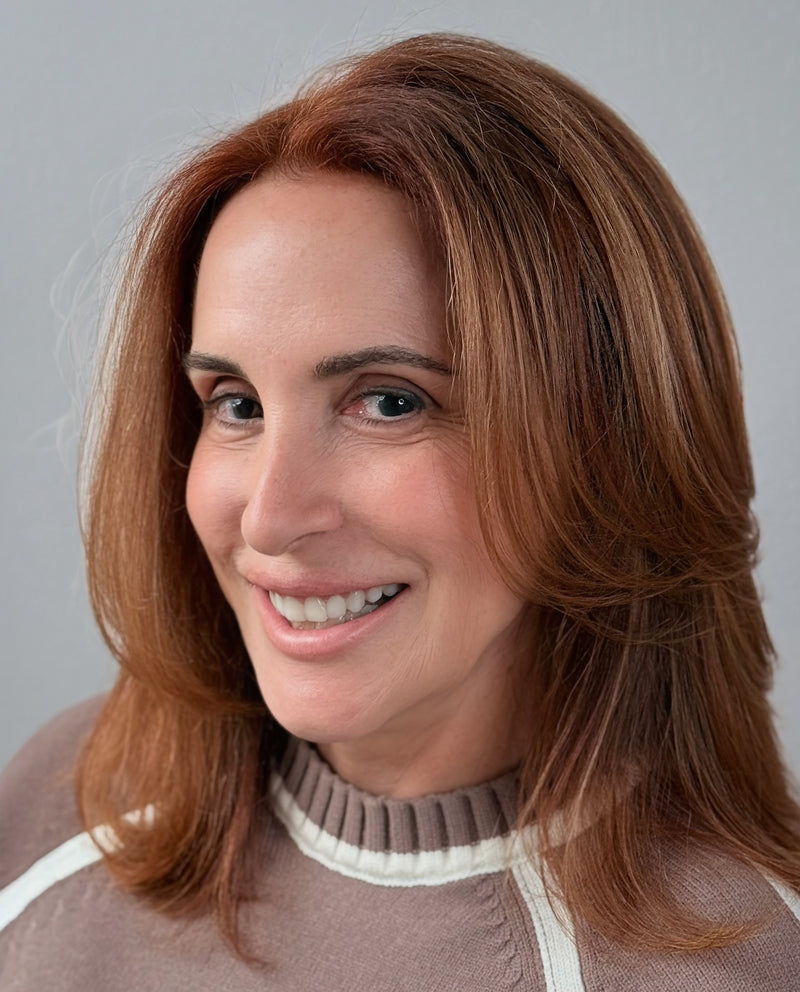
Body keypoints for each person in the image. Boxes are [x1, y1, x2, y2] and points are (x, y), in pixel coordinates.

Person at [1, 32, 799, 990]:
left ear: (607, 442)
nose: (269, 518)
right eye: (237, 405)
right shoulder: (64, 810)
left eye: (390, 401)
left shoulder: (748, 960)